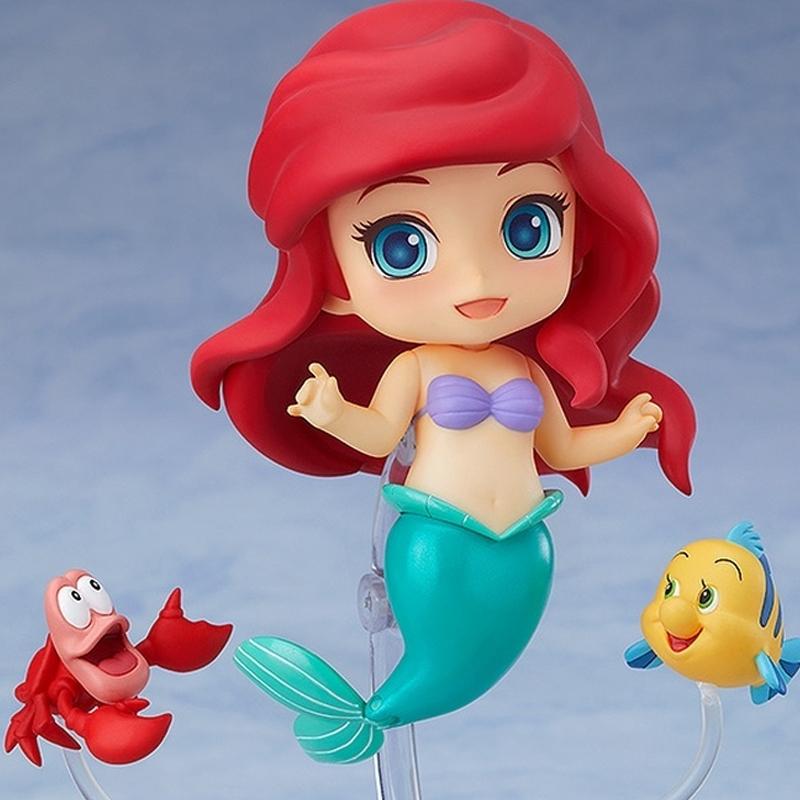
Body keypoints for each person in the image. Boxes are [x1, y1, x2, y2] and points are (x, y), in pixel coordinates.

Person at [191, 0, 696, 764]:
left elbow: (559, 445)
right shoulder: (417, 367)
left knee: (471, 662)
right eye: (402, 244)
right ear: (335, 281)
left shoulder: (526, 369)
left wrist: (626, 432)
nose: (476, 280)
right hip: (436, 543)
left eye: (528, 225)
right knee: (434, 658)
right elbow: (378, 431)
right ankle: (370, 713)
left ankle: (380, 710)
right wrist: (331, 409)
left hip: (524, 548)